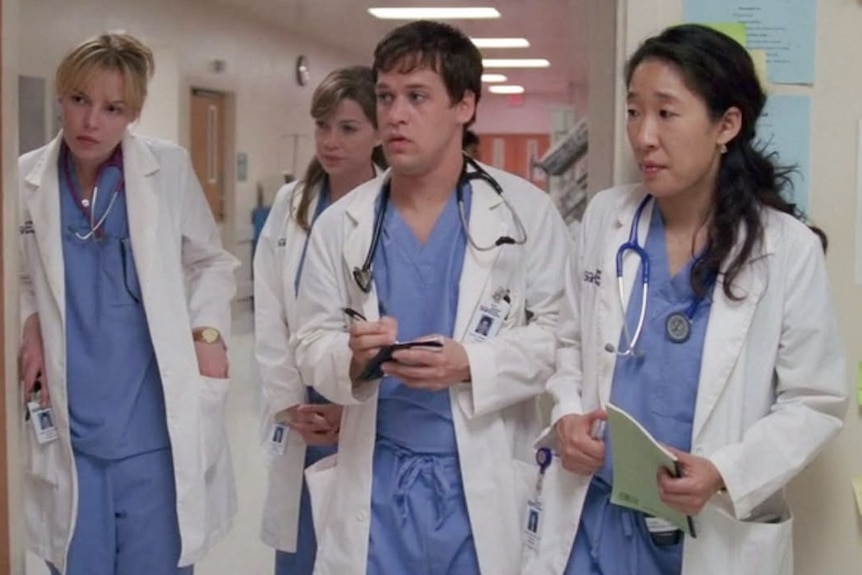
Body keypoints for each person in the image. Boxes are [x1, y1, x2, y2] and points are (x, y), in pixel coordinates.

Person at [529, 24, 848, 575]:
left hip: (710, 532)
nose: (643, 136)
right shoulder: (607, 218)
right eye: (634, 112)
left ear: (727, 125)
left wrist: (726, 472)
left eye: (666, 113)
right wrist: (569, 415)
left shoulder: (786, 248)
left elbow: (814, 399)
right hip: (594, 523)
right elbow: (569, 344)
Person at [294, 20, 571, 575]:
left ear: (465, 105)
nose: (395, 115)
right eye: (386, 97)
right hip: (375, 485)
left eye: (417, 97)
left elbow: (561, 338)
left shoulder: (525, 213)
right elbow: (310, 341)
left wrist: (473, 363)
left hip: (481, 480)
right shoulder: (341, 224)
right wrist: (349, 358)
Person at [17, 33, 239, 575]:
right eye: (80, 100)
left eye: (113, 108)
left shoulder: (166, 168)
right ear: (61, 97)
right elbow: (20, 273)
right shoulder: (25, 178)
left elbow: (209, 260)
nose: (91, 121)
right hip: (71, 431)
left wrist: (208, 334)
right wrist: (30, 322)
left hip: (154, 432)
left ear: (133, 114)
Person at [253, 65, 384, 575]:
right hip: (304, 408)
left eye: (348, 128)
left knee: (358, 545)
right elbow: (270, 308)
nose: (330, 141)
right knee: (301, 547)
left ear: (378, 133)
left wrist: (352, 404)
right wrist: (289, 403)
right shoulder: (293, 204)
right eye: (322, 126)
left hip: (363, 402)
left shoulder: (390, 207)